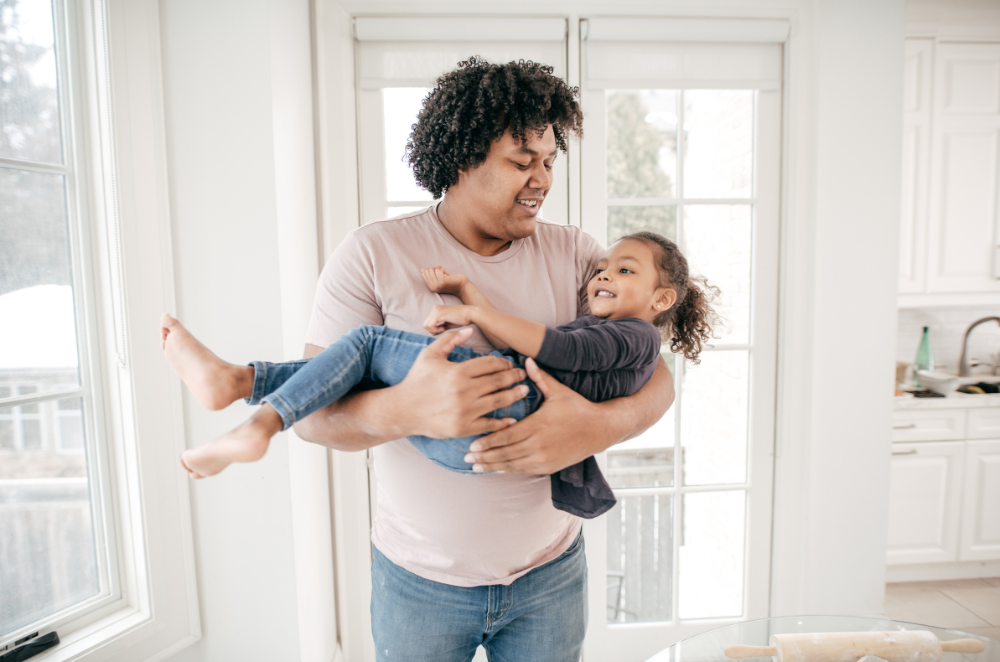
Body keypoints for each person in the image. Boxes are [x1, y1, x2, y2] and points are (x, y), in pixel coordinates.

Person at [307, 58, 674, 661]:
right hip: (419, 583)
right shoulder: (374, 254)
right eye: (522, 162)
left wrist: (596, 427)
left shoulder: (578, 254)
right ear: (461, 158)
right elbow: (317, 417)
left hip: (551, 574)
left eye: (549, 161)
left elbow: (653, 369)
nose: (542, 180)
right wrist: (410, 410)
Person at [160, 232, 717, 522]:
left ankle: (258, 420)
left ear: (662, 299)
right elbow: (529, 346)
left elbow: (555, 347)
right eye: (603, 267)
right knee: (364, 376)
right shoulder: (372, 249)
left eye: (623, 270)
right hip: (479, 439)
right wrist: (469, 295)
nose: (602, 272)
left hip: (501, 409)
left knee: (368, 344)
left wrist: (473, 314)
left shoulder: (639, 336)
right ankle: (235, 381)